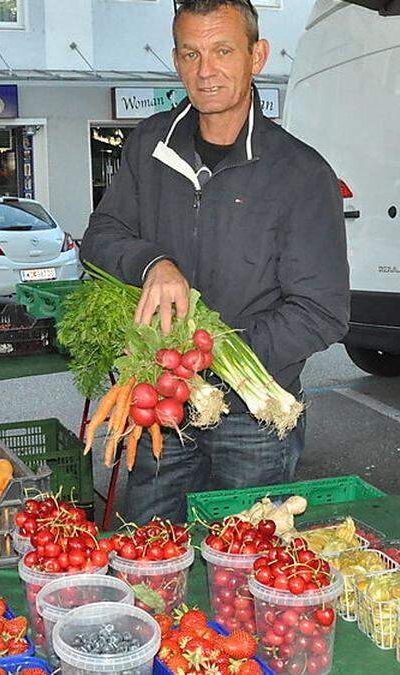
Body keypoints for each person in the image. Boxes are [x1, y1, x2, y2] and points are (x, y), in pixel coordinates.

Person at [81, 0, 350, 523]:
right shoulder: (149, 145)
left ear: (258, 56)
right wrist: (153, 262)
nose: (205, 71)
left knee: (245, 567)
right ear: (177, 61)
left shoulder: (301, 173)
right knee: (151, 549)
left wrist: (212, 359)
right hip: (159, 406)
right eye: (191, 53)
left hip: (254, 415)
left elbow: (322, 310)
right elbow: (102, 236)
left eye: (223, 51)